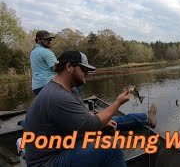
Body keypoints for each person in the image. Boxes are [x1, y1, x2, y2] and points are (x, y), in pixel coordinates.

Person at [23, 51, 157, 167]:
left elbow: (86, 116)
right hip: (49, 161)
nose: (87, 74)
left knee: (109, 121)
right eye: (84, 69)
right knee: (110, 147)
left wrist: (101, 121)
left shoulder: (69, 89)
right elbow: (91, 125)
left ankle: (146, 118)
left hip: (63, 143)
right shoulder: (57, 96)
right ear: (69, 67)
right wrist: (118, 102)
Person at [30, 30, 57, 95]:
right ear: (38, 40)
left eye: (50, 39)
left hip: (36, 88)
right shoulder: (46, 52)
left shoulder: (33, 52)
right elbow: (56, 68)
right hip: (49, 86)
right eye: (47, 39)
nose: (49, 41)